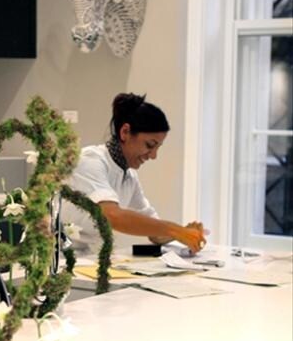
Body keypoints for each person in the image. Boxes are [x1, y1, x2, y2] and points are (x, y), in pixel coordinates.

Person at [62, 92, 208, 254]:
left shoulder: (129, 177)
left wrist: (183, 232)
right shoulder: (90, 161)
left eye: (157, 147)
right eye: (150, 145)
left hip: (83, 256)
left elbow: (155, 234)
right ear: (125, 132)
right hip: (53, 256)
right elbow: (111, 216)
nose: (153, 155)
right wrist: (174, 229)